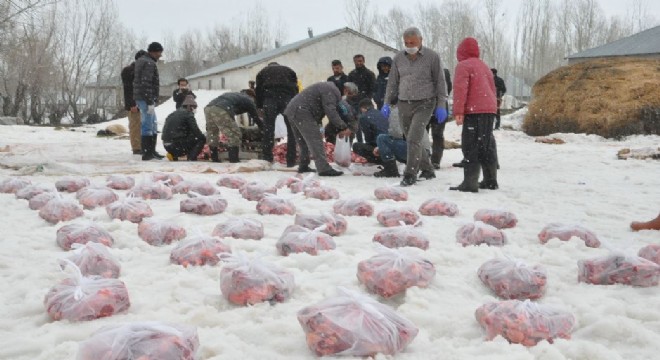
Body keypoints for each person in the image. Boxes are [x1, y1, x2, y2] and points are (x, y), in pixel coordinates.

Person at [382, 27, 448, 186]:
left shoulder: (432, 57)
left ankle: (410, 173)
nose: (409, 45)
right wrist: (386, 102)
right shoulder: (398, 58)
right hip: (404, 103)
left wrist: (441, 104)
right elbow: (392, 82)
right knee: (411, 139)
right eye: (406, 42)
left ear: (421, 40)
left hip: (425, 103)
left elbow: (440, 81)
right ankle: (428, 169)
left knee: (413, 137)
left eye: (413, 42)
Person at [450, 37, 498, 192]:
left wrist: (458, 111)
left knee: (471, 145)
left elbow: (460, 89)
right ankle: (491, 180)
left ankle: (470, 183)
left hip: (474, 110)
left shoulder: (463, 66)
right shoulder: (484, 66)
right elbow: (493, 89)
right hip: (489, 110)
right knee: (486, 144)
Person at [284, 81, 356, 176]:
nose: (348, 96)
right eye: (349, 94)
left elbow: (320, 108)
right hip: (302, 111)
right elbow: (331, 112)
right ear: (346, 89)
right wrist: (343, 127)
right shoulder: (332, 91)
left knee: (303, 140)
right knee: (315, 139)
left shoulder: (328, 87)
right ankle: (323, 168)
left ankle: (303, 165)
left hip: (293, 109)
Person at [255, 62, 298, 166]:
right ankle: (291, 160)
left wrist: (260, 106)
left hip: (269, 100)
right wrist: (293, 102)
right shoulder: (289, 70)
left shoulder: (263, 72)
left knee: (268, 130)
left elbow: (258, 90)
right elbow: (295, 87)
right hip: (287, 100)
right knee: (292, 130)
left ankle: (267, 158)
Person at [204, 91, 263, 163]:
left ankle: (214, 158)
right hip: (221, 109)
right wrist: (263, 129)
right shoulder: (249, 100)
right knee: (235, 134)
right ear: (252, 97)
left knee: (212, 133)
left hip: (209, 108)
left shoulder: (234, 95)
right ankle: (233, 159)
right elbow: (255, 117)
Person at [373, 105, 432, 178]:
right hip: (424, 151)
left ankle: (391, 170)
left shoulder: (396, 111)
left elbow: (396, 134)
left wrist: (381, 147)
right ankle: (414, 166)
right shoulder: (411, 108)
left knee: (381, 138)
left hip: (416, 151)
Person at [134, 41, 164, 161]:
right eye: (159, 52)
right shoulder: (148, 63)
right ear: (153, 51)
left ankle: (151, 151)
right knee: (148, 124)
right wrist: (150, 101)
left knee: (153, 123)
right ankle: (147, 153)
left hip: (143, 97)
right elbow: (146, 83)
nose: (160, 55)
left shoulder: (143, 61)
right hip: (145, 98)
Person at [161, 95, 205, 161]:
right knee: (201, 139)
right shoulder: (188, 114)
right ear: (191, 107)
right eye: (195, 107)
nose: (195, 110)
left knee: (186, 136)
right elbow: (196, 131)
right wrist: (204, 137)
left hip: (166, 145)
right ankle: (191, 157)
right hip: (177, 145)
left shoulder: (172, 114)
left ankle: (174, 155)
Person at [120, 49, 147, 155]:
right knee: (135, 125)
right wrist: (132, 104)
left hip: (144, 103)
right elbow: (128, 89)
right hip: (134, 104)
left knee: (144, 125)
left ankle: (144, 145)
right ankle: (136, 147)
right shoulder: (129, 71)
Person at [428, 68, 453, 169]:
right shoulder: (444, 72)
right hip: (439, 106)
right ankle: (434, 160)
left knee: (429, 134)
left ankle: (429, 159)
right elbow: (448, 89)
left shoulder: (426, 70)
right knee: (437, 135)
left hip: (431, 106)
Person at [352, 98, 389, 164]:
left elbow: (368, 137)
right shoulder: (379, 113)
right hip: (389, 147)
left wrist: (368, 148)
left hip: (380, 149)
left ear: (363, 108)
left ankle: (377, 159)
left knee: (356, 146)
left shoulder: (364, 117)